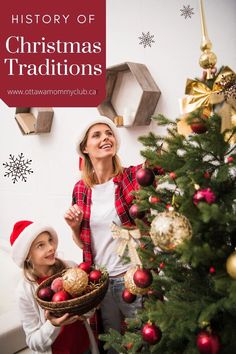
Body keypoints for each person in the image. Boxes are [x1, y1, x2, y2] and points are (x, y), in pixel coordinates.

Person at [64, 117, 142, 353]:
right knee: (110, 343)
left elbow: (158, 165)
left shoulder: (130, 178)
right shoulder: (80, 189)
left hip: (132, 278)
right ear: (85, 148)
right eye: (96, 135)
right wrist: (74, 227)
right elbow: (83, 243)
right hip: (100, 282)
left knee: (142, 341)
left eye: (108, 133)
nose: (105, 138)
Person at [10, 220, 99, 354]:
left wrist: (83, 310)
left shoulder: (71, 269)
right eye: (41, 245)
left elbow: (90, 309)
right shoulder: (24, 291)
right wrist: (53, 325)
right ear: (27, 255)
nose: (51, 247)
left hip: (84, 347)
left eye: (50, 240)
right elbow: (33, 342)